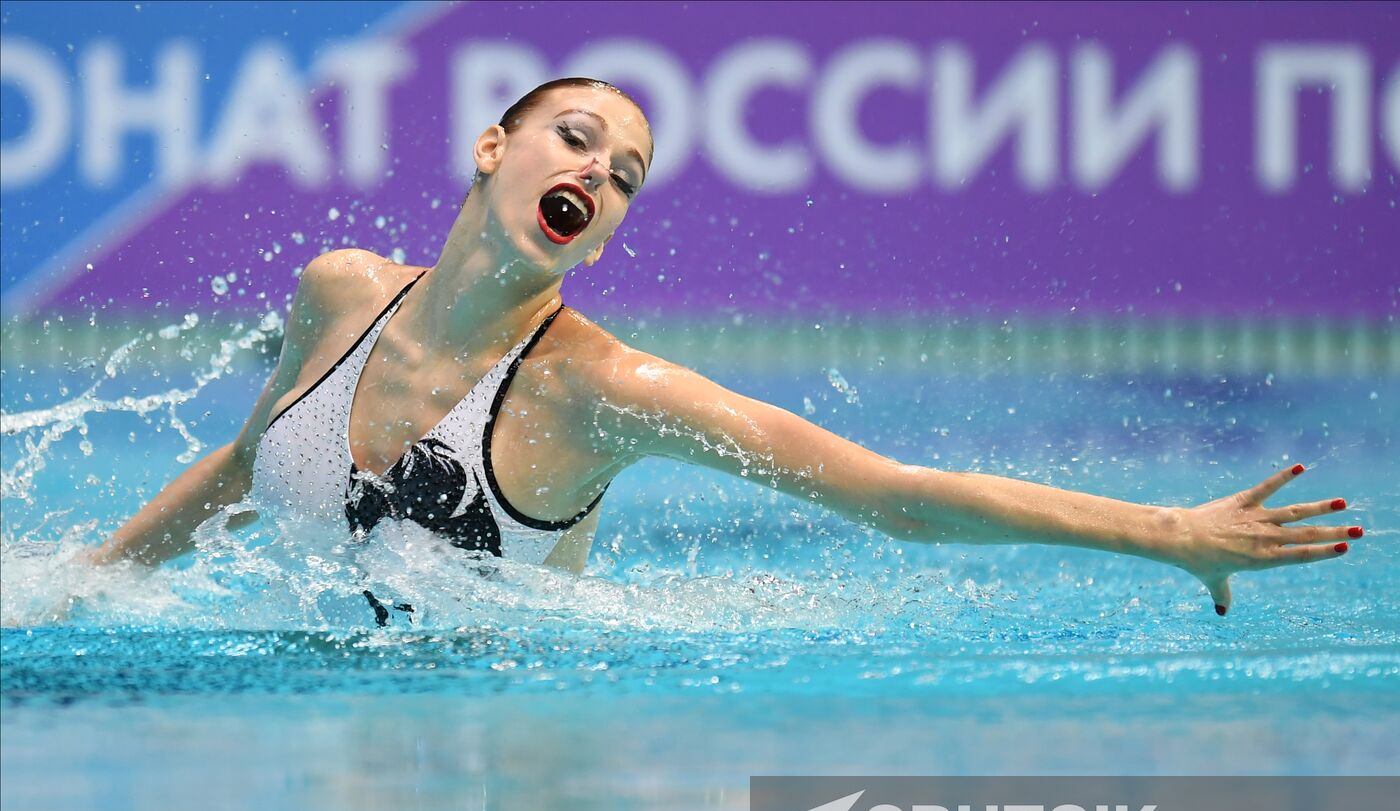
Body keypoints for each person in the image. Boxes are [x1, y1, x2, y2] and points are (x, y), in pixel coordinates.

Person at [91, 77, 1361, 618]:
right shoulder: (340, 290)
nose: (597, 170)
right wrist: (78, 585)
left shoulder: (600, 393)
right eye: (576, 138)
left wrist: (1166, 532)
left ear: (600, 236)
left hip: (492, 736)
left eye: (625, 175)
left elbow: (895, 499)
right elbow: (244, 471)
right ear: (494, 150)